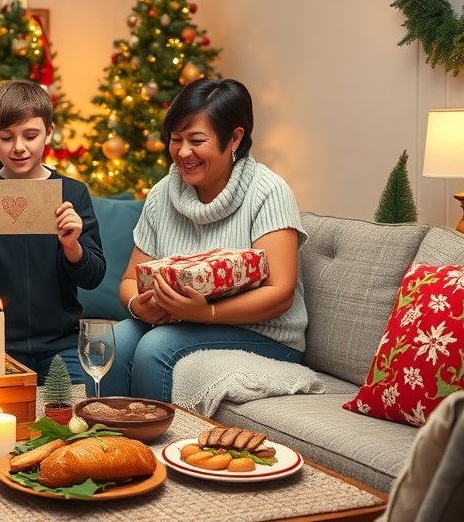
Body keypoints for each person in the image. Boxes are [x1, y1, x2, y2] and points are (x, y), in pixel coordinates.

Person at [93, 78, 307, 401]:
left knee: (155, 347)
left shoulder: (268, 192)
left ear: (234, 138)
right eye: (175, 139)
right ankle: (110, 444)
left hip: (264, 335)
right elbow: (129, 280)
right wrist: (140, 306)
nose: (182, 152)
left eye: (196, 140)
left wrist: (205, 314)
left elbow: (280, 294)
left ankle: (159, 449)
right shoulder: (162, 194)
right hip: (185, 323)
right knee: (113, 342)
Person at [0, 80, 106, 382]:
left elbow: (94, 276)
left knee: (72, 415)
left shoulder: (72, 193)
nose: (18, 147)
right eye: (6, 137)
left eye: (30, 135)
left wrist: (73, 247)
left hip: (61, 345)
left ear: (49, 132)